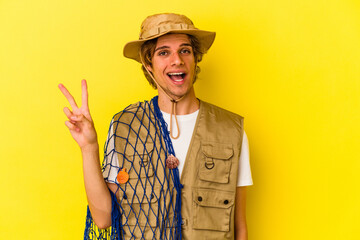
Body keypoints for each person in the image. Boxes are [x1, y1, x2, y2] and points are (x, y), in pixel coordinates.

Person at [59, 13, 252, 240]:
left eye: (185, 50)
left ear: (195, 58)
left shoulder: (230, 130)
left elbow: (239, 228)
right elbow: (103, 220)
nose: (177, 60)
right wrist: (88, 147)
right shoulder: (125, 127)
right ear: (148, 65)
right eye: (163, 52)